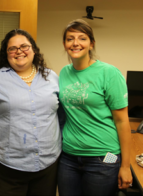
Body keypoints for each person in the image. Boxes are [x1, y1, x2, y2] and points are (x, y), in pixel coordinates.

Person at [0, 29, 64, 196]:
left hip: (48, 165)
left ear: (34, 49)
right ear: (6, 54)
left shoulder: (51, 77)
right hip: (6, 167)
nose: (19, 51)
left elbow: (61, 115)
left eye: (24, 46)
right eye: (12, 48)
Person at [58, 19, 133, 196]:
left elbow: (122, 121)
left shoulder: (109, 73)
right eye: (70, 39)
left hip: (104, 158)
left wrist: (125, 166)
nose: (75, 43)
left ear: (91, 44)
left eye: (82, 38)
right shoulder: (63, 73)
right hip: (68, 158)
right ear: (64, 44)